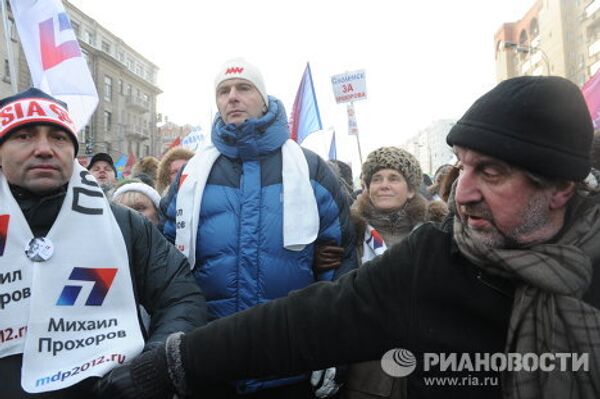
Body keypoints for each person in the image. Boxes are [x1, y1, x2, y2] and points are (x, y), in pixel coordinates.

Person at [96, 76, 600, 399]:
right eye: (462, 167)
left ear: (558, 188)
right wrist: (169, 363)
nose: (462, 193)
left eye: (490, 173)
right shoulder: (434, 261)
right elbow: (301, 322)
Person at [159, 58, 356, 398]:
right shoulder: (192, 174)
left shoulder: (310, 169)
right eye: (223, 91)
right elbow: (162, 265)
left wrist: (334, 347)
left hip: (287, 367)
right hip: (207, 365)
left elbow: (340, 265)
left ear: (263, 98)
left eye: (244, 88)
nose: (232, 97)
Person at [0, 88, 208, 398]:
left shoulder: (125, 224)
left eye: (58, 137)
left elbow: (181, 298)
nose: (44, 149)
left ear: (72, 150)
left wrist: (151, 367)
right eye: (24, 136)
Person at [341, 147, 447, 399]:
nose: (384, 185)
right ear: (366, 187)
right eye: (376, 179)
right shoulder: (350, 233)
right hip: (367, 369)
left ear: (411, 189)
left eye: (393, 178)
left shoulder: (436, 232)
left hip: (427, 362)